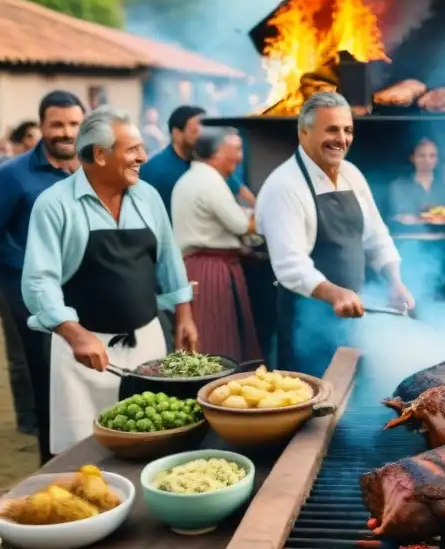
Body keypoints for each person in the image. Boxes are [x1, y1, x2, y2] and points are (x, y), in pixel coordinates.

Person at [22, 107, 197, 454]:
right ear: (100, 154)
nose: (142, 157)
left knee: (153, 442)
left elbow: (168, 258)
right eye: (132, 150)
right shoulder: (55, 204)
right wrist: (75, 334)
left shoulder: (147, 196)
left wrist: (184, 313)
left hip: (147, 344)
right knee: (83, 453)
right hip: (83, 354)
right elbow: (39, 281)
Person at [256, 92, 413, 378]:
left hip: (354, 316)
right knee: (315, 403)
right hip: (307, 320)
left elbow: (377, 235)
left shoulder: (351, 174)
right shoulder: (284, 186)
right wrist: (336, 293)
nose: (341, 139)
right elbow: (290, 265)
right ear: (304, 132)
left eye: (347, 130)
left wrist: (395, 282)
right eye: (331, 129)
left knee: (351, 393)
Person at [0, 91, 84, 459]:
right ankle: (51, 462)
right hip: (27, 292)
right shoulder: (13, 176)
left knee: (81, 375)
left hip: (82, 288)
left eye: (74, 124)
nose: (66, 132)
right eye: (57, 124)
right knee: (47, 378)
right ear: (42, 126)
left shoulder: (92, 168)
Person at [171, 128, 260, 363]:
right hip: (211, 271)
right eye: (236, 150)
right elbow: (242, 225)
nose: (240, 157)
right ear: (218, 154)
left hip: (197, 267)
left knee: (209, 338)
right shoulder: (209, 182)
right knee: (216, 341)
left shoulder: (192, 178)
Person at [140, 105, 255, 217]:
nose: (201, 137)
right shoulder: (154, 169)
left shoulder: (207, 164)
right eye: (195, 131)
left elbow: (241, 191)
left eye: (204, 132)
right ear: (177, 133)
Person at [387, 137, 445, 216]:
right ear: (412, 158)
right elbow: (400, 214)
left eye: (432, 156)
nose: (427, 160)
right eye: (422, 156)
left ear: (437, 159)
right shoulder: (399, 186)